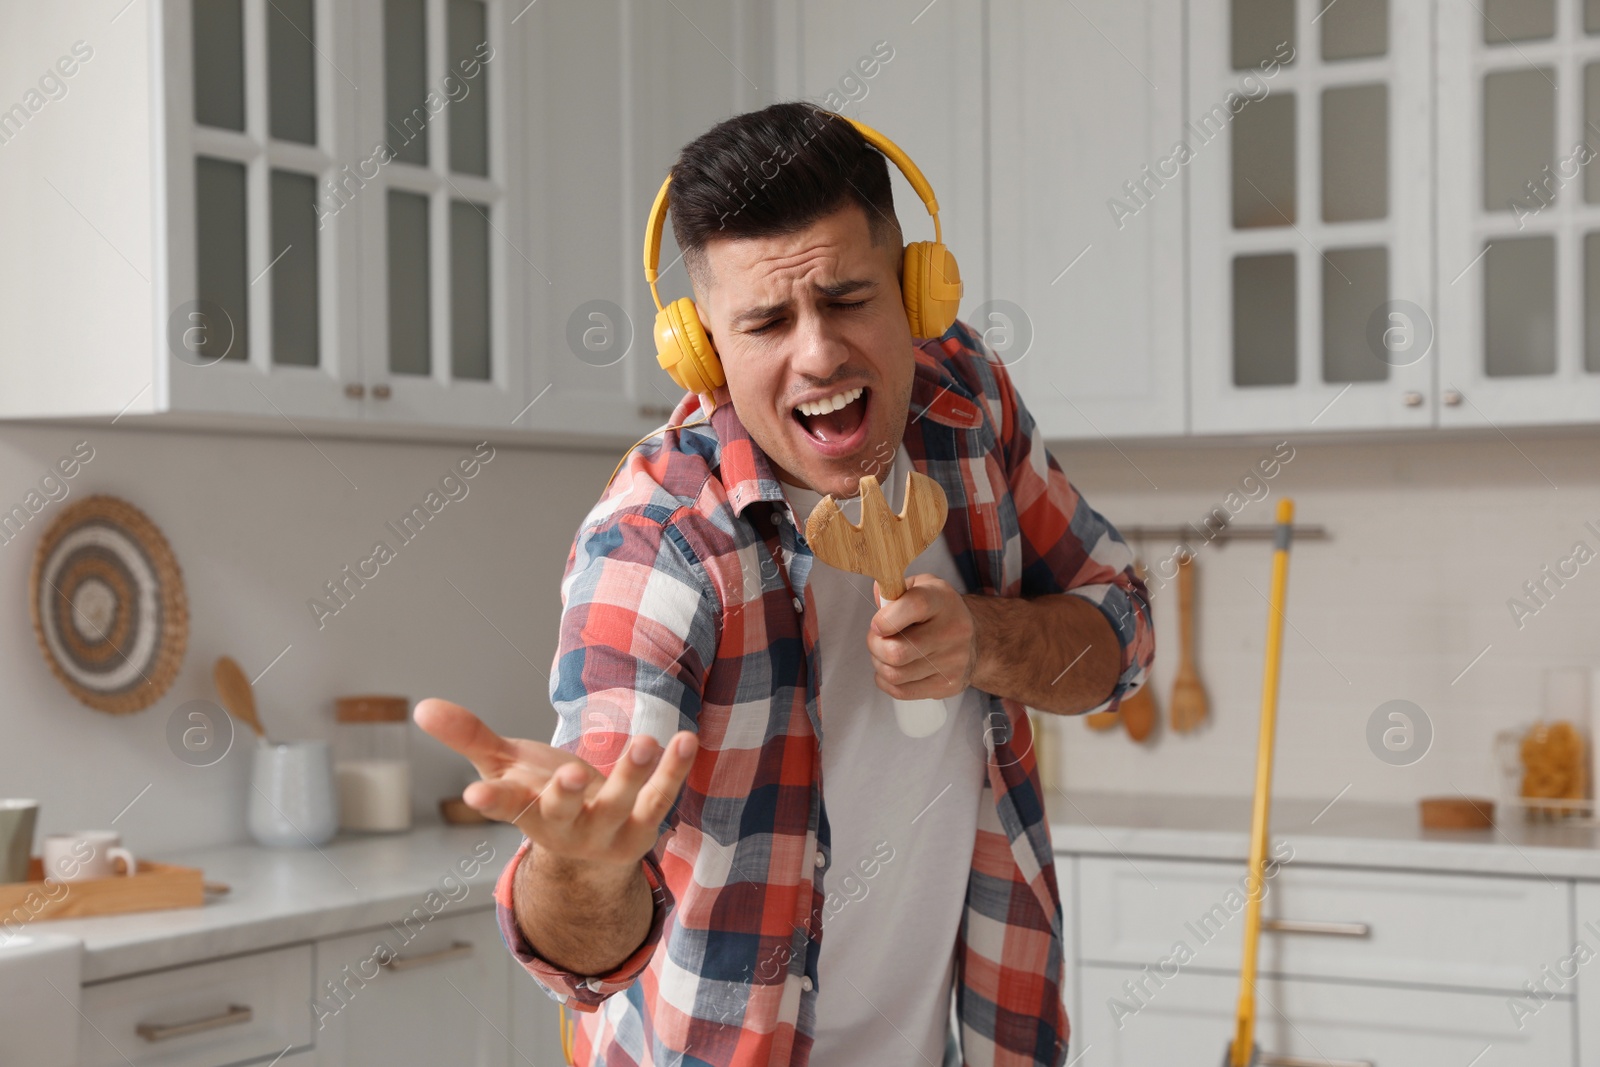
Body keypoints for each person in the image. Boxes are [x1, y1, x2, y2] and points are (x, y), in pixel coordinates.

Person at [416, 102, 1154, 1067]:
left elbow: (1122, 636)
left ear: (918, 292)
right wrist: (583, 865)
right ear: (703, 351)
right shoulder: (657, 541)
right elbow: (580, 953)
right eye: (765, 321)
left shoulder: (962, 400)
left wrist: (984, 640)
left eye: (849, 298)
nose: (818, 354)